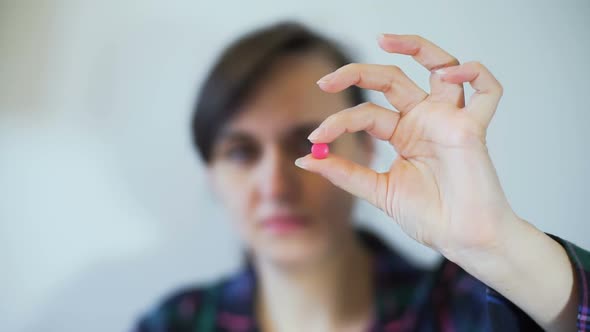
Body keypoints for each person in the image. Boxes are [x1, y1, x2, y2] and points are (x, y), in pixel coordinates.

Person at [133, 21, 590, 332]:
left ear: (367, 142)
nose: (275, 186)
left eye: (307, 143)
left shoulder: (463, 308)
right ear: (210, 175)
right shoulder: (174, 323)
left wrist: (494, 244)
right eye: (240, 152)